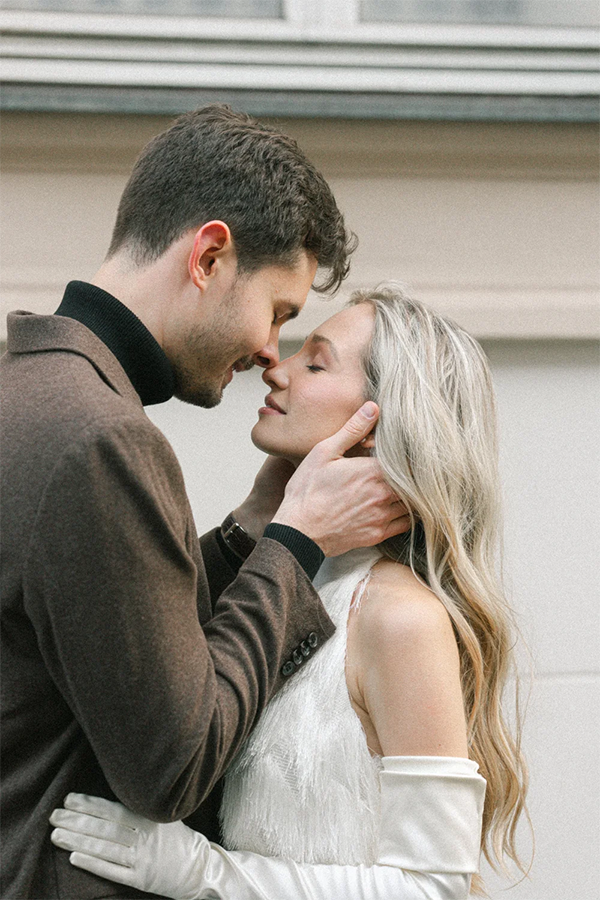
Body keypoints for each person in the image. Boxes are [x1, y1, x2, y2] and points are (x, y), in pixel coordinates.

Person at [0, 107, 410, 899]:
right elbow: (174, 767)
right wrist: (295, 546)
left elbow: (112, 640)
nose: (269, 352)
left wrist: (252, 530)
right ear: (210, 255)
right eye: (281, 312)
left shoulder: (34, 391)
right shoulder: (99, 439)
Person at [50, 287, 529, 899]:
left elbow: (433, 888)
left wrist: (205, 874)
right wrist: (266, 519)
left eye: (316, 362)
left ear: (380, 420)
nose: (276, 368)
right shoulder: (303, 580)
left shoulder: (399, 618)